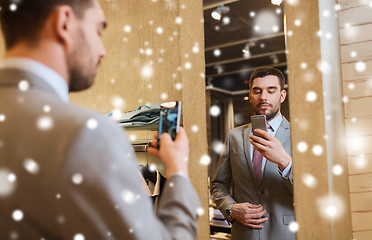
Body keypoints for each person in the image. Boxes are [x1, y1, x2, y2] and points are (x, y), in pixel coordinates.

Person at [0, 0, 200, 239]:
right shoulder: (85, 134)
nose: (102, 50)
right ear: (64, 23)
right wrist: (178, 170)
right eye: (98, 30)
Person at [211, 67, 295, 240]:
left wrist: (285, 163)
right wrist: (231, 209)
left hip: (285, 233)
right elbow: (218, 185)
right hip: (244, 234)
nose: (263, 97)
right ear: (250, 95)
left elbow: (312, 191)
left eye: (271, 91)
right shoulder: (233, 136)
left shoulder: (298, 135)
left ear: (282, 96)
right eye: (257, 91)